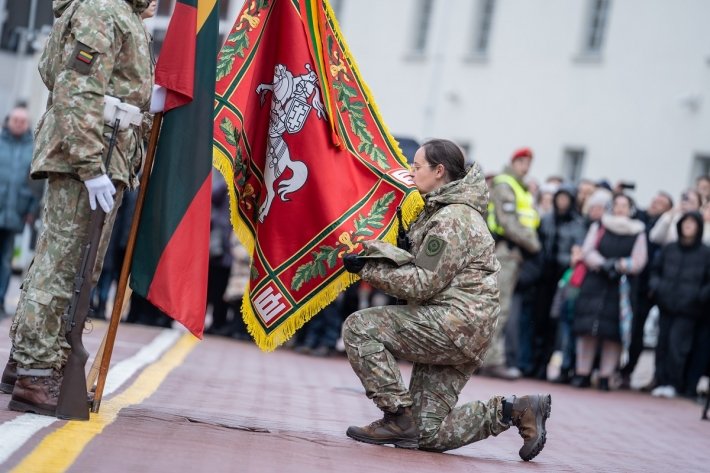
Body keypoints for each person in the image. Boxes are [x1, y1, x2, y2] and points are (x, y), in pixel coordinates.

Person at [340, 139, 551, 462]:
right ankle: (514, 410)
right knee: (426, 433)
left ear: (439, 171)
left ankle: (396, 415)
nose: (411, 172)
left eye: (417, 166)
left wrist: (368, 269)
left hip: (452, 325)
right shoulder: (446, 210)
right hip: (464, 328)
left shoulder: (452, 217)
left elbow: (422, 283)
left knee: (359, 327)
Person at [3, 0, 154, 416]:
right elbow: (76, 85)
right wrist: (90, 165)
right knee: (65, 267)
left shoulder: (118, 12)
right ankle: (37, 373)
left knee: (60, 261)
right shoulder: (103, 9)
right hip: (89, 154)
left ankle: (25, 363)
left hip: (102, 151)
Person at [572, 194, 647, 391]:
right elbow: (587, 250)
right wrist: (603, 264)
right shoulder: (600, 226)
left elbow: (639, 260)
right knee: (588, 330)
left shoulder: (638, 231)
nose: (620, 208)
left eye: (624, 205)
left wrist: (620, 265)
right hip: (596, 282)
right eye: (617, 205)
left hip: (620, 286)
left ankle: (605, 376)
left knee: (612, 335)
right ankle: (582, 373)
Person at [481, 147, 541, 379]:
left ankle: (486, 357)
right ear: (514, 161)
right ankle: (492, 359)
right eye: (522, 162)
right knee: (498, 306)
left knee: (498, 307)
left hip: (512, 253)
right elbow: (508, 222)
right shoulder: (507, 184)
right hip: (505, 252)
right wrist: (534, 245)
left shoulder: (520, 187)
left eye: (529, 163)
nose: (526, 167)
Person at [649, 211, 710, 398]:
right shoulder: (669, 248)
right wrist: (657, 289)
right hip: (666, 304)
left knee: (678, 347)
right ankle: (660, 380)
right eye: (686, 223)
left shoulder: (705, 253)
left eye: (692, 223)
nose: (688, 226)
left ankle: (674, 383)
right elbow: (655, 271)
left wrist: (699, 297)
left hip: (689, 308)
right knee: (662, 345)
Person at [0, 106, 38, 319]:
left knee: (6, 259)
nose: (18, 124)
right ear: (8, 121)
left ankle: (1, 299)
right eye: (15, 120)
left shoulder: (31, 148)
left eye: (22, 121)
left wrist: (31, 209)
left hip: (16, 213)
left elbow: (35, 182)